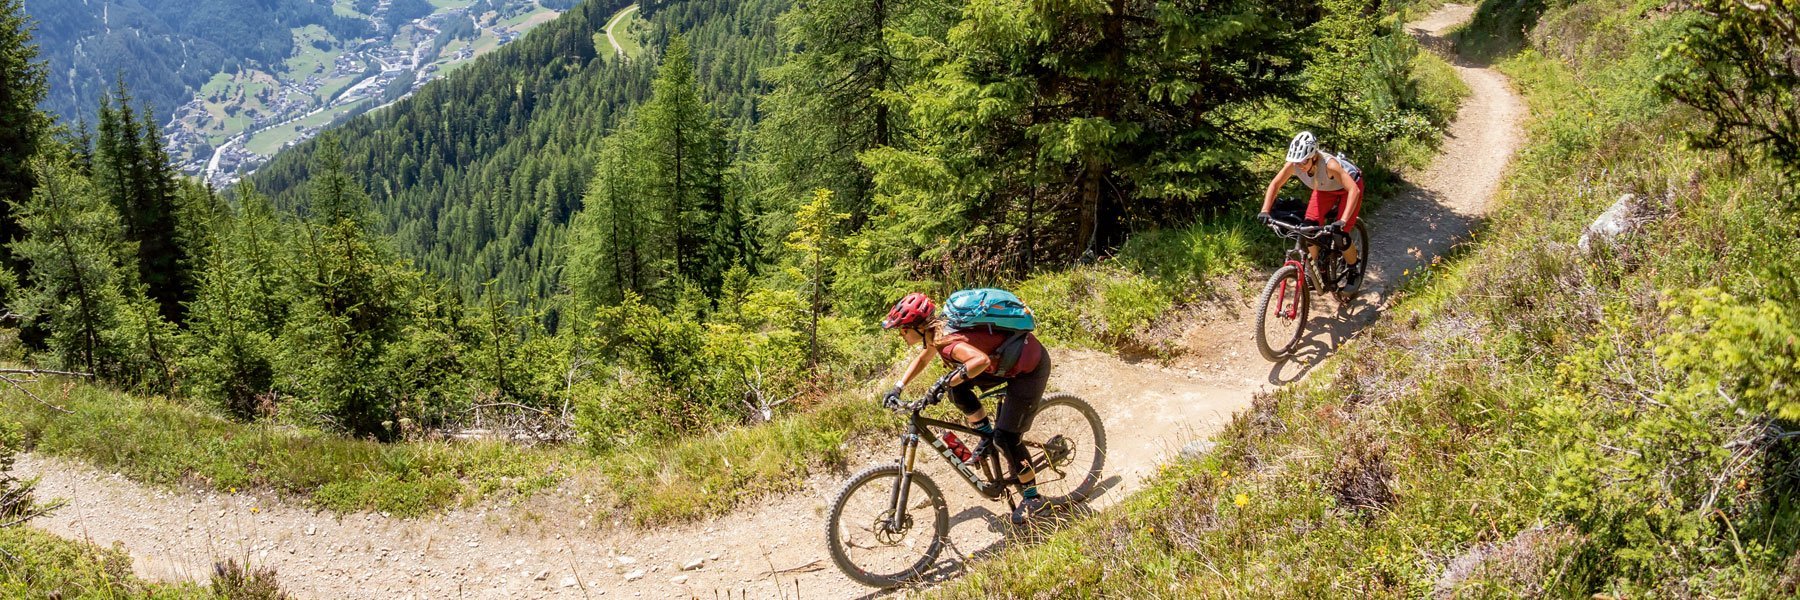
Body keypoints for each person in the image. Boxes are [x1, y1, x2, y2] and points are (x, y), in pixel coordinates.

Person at [879, 292, 1053, 525]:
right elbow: (923, 358)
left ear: (919, 327)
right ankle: (985, 436)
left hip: (1028, 369)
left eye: (903, 329)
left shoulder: (948, 343)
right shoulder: (936, 334)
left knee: (1007, 438)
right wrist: (898, 387)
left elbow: (980, 360)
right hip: (1002, 364)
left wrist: (944, 381)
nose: (901, 334)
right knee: (956, 389)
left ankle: (1033, 498)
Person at [1257, 131, 1365, 289]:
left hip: (1349, 188)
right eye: (1296, 162)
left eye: (1303, 162)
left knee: (1339, 236)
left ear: (1314, 157)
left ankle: (1353, 269)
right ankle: (1314, 271)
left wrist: (1342, 221)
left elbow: (1353, 191)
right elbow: (1275, 184)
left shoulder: (1330, 165)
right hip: (1323, 189)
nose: (1299, 166)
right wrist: (1265, 210)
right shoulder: (1293, 165)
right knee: (1308, 229)